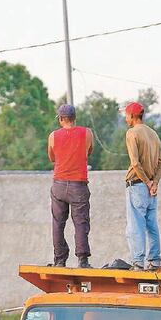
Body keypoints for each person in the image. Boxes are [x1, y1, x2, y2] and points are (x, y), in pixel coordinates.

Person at [47, 104, 94, 268]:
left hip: (59, 184)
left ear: (60, 119)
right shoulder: (87, 133)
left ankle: (60, 260)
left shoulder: (53, 136)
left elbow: (52, 157)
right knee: (81, 222)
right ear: (75, 118)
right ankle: (82, 260)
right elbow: (89, 151)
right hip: (78, 185)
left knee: (58, 223)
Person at [124, 101, 161, 271]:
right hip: (151, 189)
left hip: (137, 185)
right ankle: (154, 260)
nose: (125, 118)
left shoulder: (132, 133)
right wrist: (154, 182)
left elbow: (135, 163)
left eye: (126, 115)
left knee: (135, 225)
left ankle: (138, 262)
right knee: (151, 224)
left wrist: (147, 182)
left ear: (133, 117)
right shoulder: (153, 133)